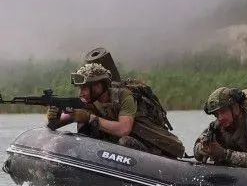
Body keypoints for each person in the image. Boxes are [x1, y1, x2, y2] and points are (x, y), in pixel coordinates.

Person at [46, 63, 183, 156]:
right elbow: (56, 123)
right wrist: (54, 115)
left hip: (153, 148)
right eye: (79, 89)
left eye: (84, 88)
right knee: (85, 126)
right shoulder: (87, 102)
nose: (81, 93)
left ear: (98, 86)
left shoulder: (124, 96)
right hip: (122, 152)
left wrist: (90, 118)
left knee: (125, 141)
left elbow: (124, 129)